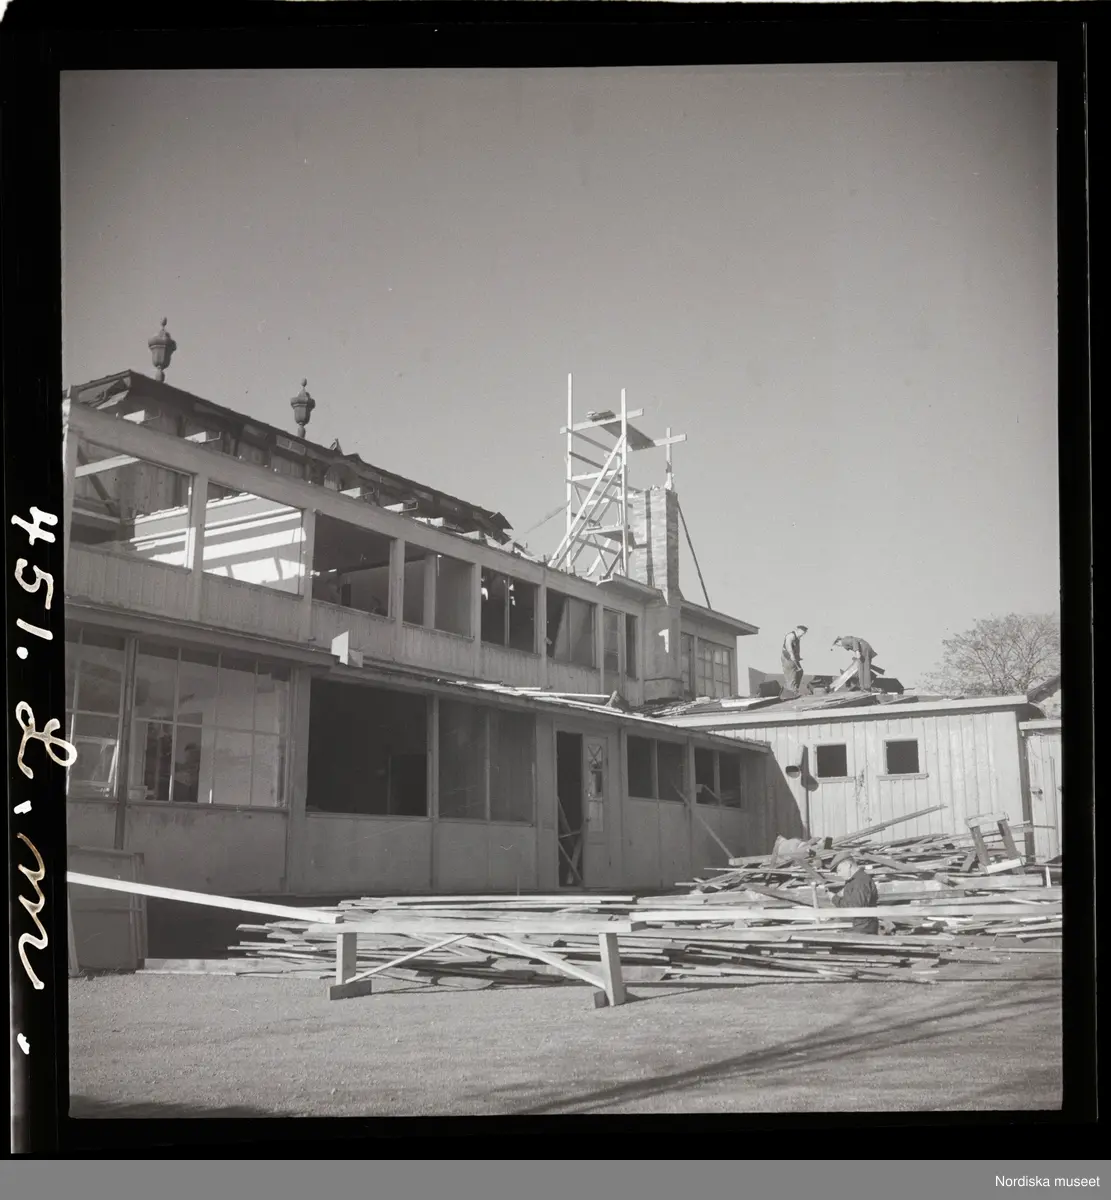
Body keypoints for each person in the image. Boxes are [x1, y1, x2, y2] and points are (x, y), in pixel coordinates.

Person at [832, 857, 880, 935]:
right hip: (858, 928)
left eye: (839, 870)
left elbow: (855, 909)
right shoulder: (854, 881)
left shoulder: (860, 882)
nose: (839, 874)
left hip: (862, 930)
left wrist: (835, 899)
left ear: (848, 865)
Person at [781, 625, 808, 696]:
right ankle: (791, 692)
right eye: (802, 633)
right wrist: (791, 655)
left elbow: (796, 648)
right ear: (798, 630)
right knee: (791, 675)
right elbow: (788, 646)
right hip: (788, 658)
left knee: (800, 671)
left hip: (794, 658)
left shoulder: (798, 637)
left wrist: (798, 657)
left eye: (804, 633)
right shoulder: (791, 636)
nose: (803, 634)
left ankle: (795, 689)